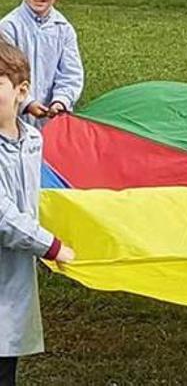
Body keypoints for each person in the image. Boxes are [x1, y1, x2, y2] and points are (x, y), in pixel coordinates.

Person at [0, 41, 75, 386]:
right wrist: (50, 244)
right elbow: (2, 216)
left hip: (13, 271)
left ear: (21, 91)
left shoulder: (31, 139)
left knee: (6, 354)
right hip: (11, 253)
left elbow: (32, 198)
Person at [0, 0, 84, 128]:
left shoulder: (64, 30)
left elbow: (71, 74)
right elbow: (6, 75)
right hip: (13, 121)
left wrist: (61, 101)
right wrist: (27, 103)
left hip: (52, 123)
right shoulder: (8, 27)